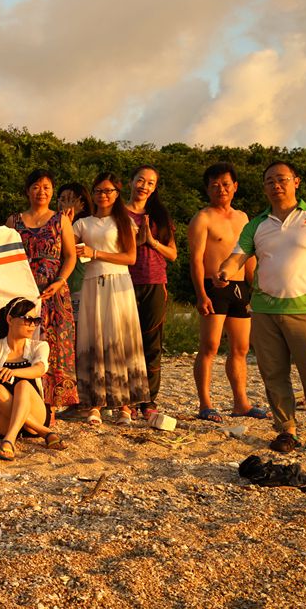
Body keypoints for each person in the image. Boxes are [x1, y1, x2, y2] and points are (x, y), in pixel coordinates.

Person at [218, 161, 306, 462]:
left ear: (296, 181)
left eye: (282, 179)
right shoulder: (256, 224)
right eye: (269, 181)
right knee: (273, 373)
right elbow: (237, 257)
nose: (275, 185)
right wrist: (224, 270)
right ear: (264, 187)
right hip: (264, 310)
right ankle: (286, 430)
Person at [188, 163, 265, 422]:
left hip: (240, 287)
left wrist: (256, 288)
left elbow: (249, 255)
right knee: (209, 346)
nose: (220, 189)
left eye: (225, 184)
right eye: (214, 185)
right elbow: (196, 260)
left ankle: (241, 403)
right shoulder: (203, 218)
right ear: (207, 188)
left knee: (241, 347)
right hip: (214, 287)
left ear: (235, 187)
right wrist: (201, 294)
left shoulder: (243, 217)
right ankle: (205, 404)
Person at [72, 172, 147, 426]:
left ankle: (125, 405)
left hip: (119, 282)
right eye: (98, 191)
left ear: (116, 194)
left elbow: (130, 257)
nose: (103, 195)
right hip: (92, 283)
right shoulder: (83, 224)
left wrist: (96, 253)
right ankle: (95, 403)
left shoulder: (124, 222)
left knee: (120, 338)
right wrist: (67, 218)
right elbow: (66, 248)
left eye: (108, 191)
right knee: (94, 338)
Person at [6, 169, 78, 417]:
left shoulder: (61, 220)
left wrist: (59, 281)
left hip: (53, 291)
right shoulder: (13, 221)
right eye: (36, 187)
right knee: (23, 343)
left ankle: (52, 404)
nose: (41, 192)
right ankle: (25, 398)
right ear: (27, 191)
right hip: (23, 293)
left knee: (54, 344)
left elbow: (71, 256)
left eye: (47, 187)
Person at [0, 297, 65, 460]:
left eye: (36, 320)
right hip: (2, 421)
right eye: (27, 319)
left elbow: (40, 369)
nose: (32, 325)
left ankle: (10, 439)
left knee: (23, 385)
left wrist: (13, 372)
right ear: (10, 319)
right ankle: (44, 432)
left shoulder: (39, 346)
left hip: (35, 413)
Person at [125, 165, 178, 419]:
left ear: (155, 188)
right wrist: (136, 242)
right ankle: (126, 398)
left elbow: (173, 254)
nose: (144, 186)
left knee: (152, 343)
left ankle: (148, 400)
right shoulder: (117, 213)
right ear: (131, 182)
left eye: (150, 183)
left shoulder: (159, 216)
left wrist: (151, 241)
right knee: (125, 341)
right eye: (140, 180)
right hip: (123, 281)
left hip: (154, 282)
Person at [57, 182, 90, 318]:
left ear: (82, 203)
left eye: (71, 200)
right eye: (62, 199)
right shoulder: (52, 223)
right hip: (59, 285)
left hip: (79, 285)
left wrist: (67, 220)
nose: (66, 204)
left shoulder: (87, 224)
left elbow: (68, 247)